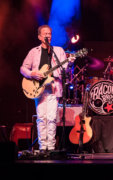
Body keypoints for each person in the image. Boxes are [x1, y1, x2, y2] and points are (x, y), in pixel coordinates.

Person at [20, 25, 75, 156]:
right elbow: (23, 68)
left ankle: (50, 147)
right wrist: (32, 74)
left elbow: (65, 69)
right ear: (39, 37)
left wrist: (70, 63)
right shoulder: (34, 52)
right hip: (38, 88)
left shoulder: (58, 50)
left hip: (54, 88)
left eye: (49, 33)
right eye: (45, 34)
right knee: (41, 118)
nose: (48, 36)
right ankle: (42, 147)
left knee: (51, 118)